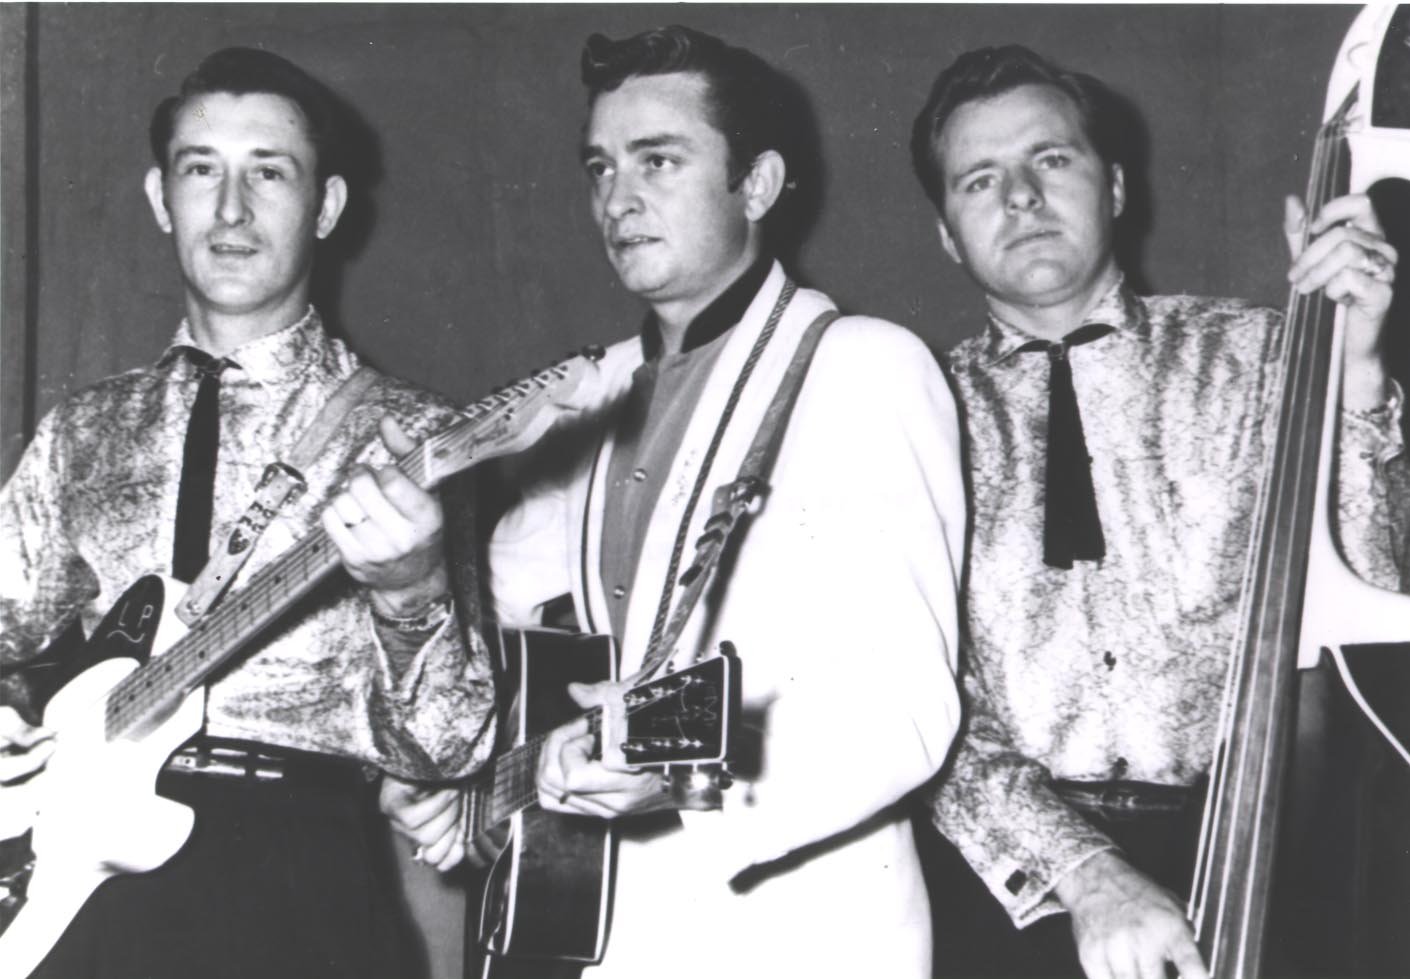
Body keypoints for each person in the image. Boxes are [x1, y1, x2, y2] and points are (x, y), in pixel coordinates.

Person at [383, 25, 966, 979]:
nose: (619, 198)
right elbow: (502, 644)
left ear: (758, 184)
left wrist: (682, 780)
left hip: (798, 934)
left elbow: (903, 707)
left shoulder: (864, 366)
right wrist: (451, 775)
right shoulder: (582, 395)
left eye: (659, 160)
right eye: (601, 167)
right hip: (594, 934)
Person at [908, 44, 1408, 979]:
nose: (1021, 196)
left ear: (1116, 186)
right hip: (1010, 889)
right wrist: (1086, 874)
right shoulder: (911, 408)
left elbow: (1371, 599)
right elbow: (915, 703)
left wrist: (1357, 376)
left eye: (1051, 158)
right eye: (980, 179)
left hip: (1260, 863)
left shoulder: (1265, 351)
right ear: (946, 233)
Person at [0, 47, 496, 979]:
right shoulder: (84, 429)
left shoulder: (412, 435)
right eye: (201, 170)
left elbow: (444, 747)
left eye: (269, 172)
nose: (230, 210)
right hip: (82, 891)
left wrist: (412, 590)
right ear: (161, 199)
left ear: (327, 207)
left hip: (296, 886)